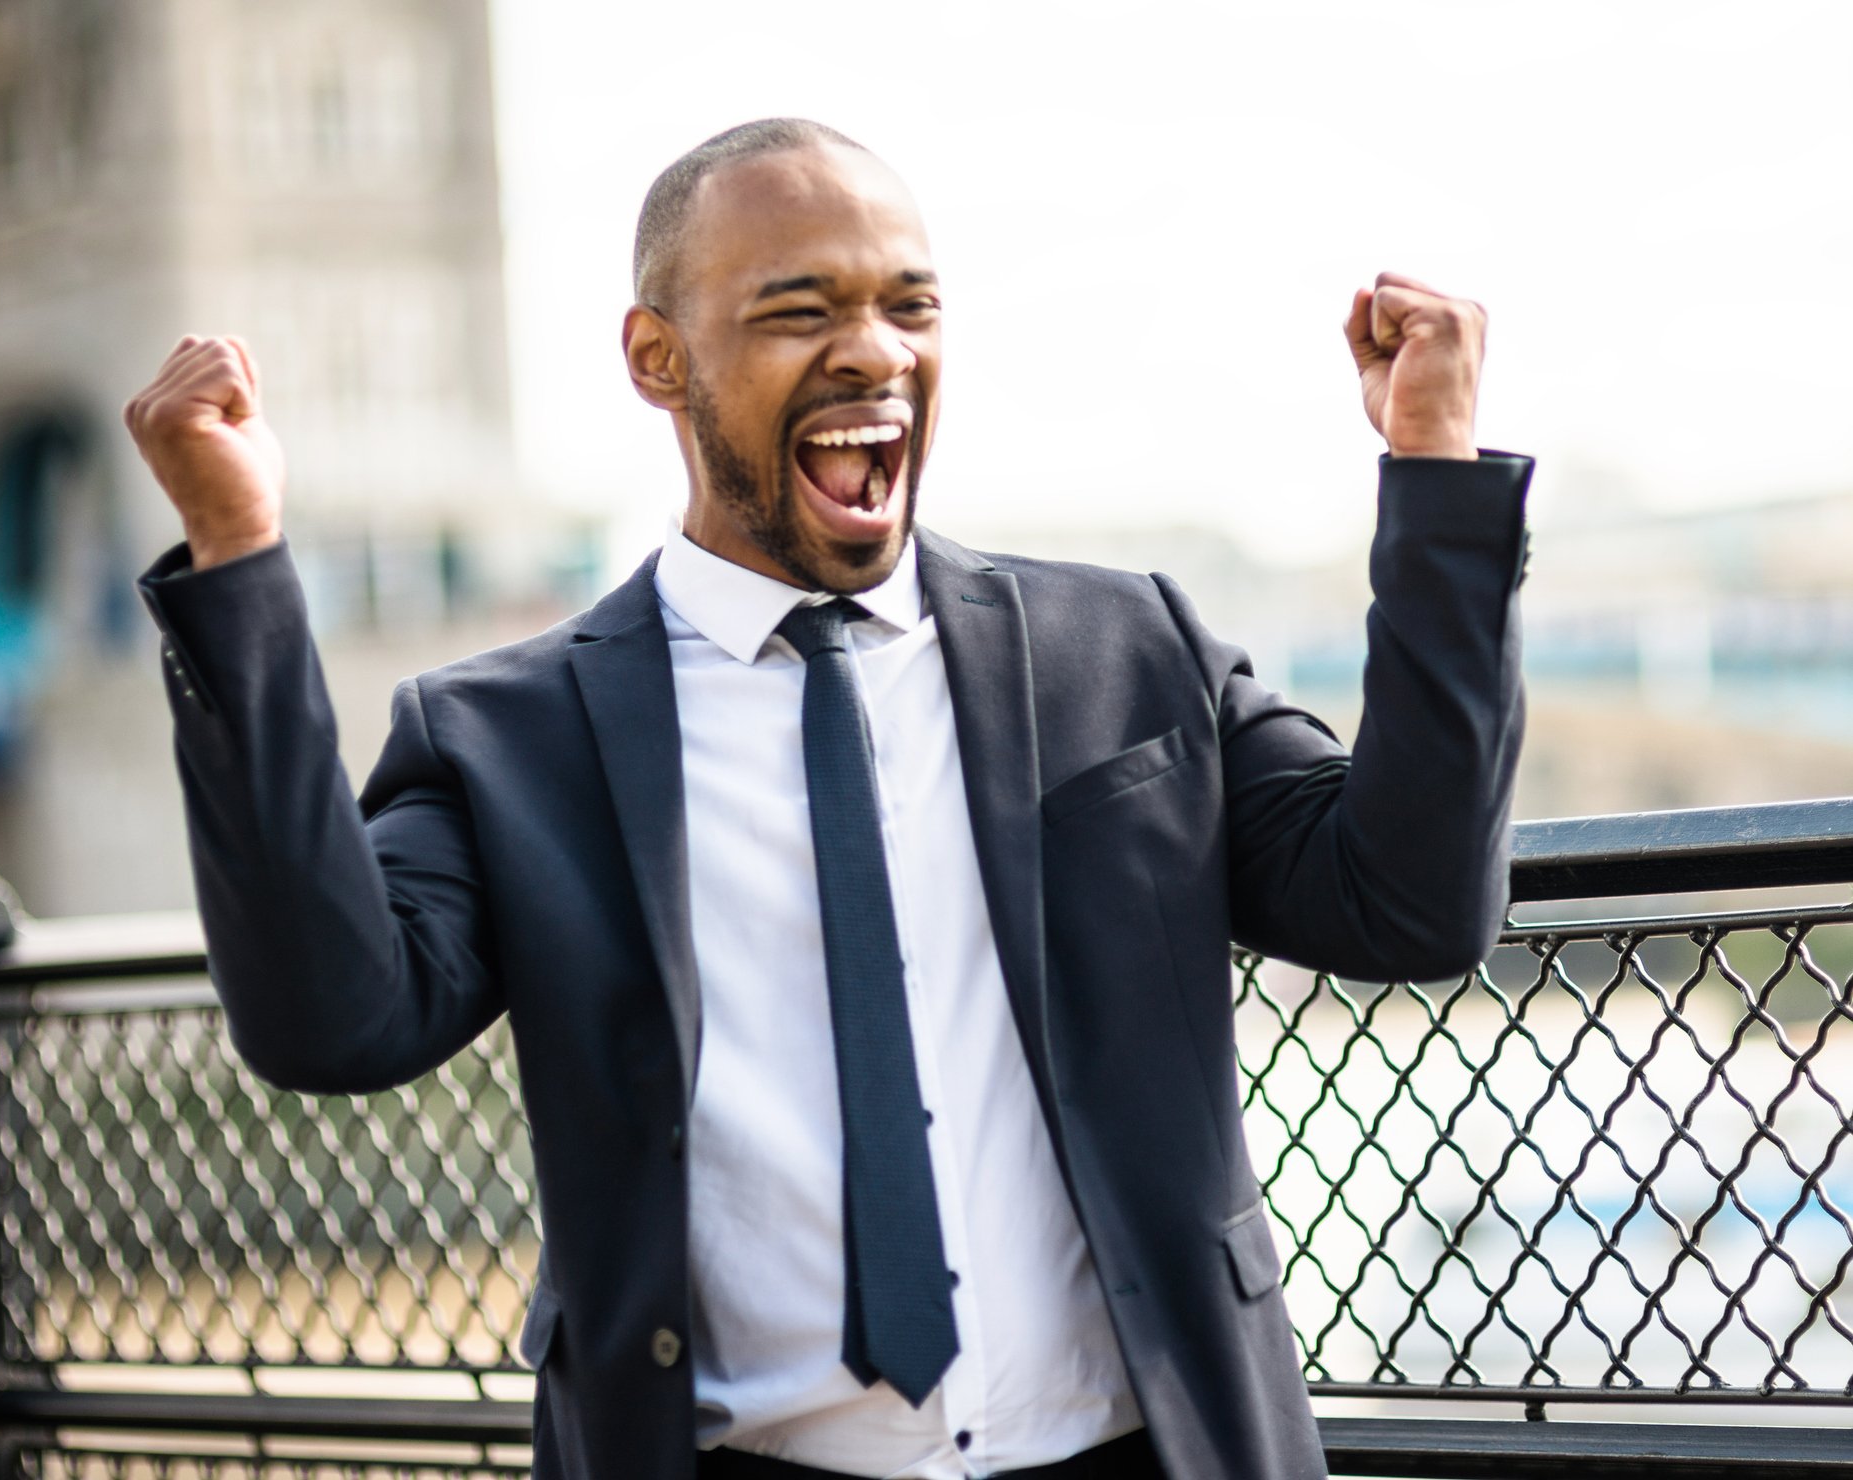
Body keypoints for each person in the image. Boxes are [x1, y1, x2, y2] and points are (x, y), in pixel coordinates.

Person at [123, 118, 1529, 1480]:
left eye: (909, 305)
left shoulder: (1127, 651)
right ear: (657, 359)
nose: (873, 348)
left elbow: (1402, 902)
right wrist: (238, 566)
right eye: (800, 310)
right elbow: (333, 1022)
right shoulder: (507, 737)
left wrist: (1434, 473)